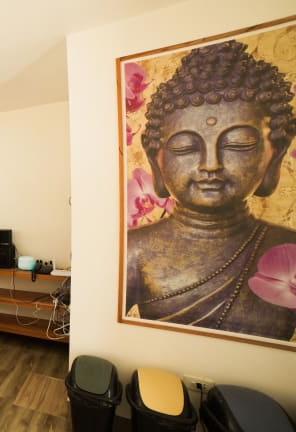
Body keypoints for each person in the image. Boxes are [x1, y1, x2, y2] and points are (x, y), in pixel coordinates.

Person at [126, 40, 296, 341]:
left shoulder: (288, 247)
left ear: (275, 154)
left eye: (238, 144)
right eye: (185, 147)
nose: (211, 164)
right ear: (156, 160)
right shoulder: (135, 250)